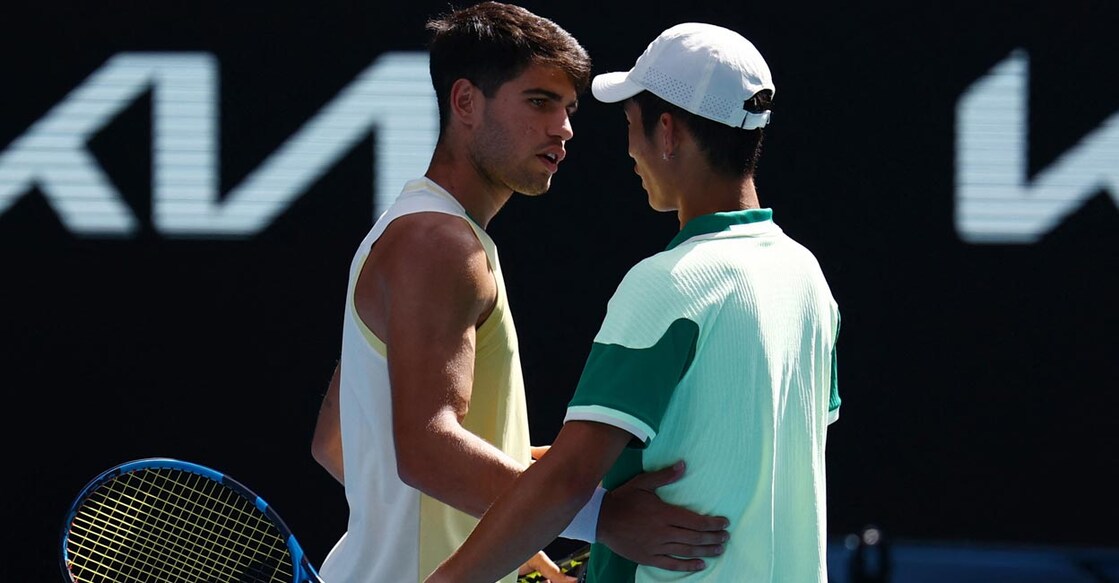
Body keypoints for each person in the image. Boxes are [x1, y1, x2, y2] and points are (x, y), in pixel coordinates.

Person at [310, 5, 732, 582]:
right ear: (465, 103)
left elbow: (340, 442)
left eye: (569, 108)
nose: (563, 128)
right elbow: (428, 451)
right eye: (539, 102)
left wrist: (530, 559)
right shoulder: (439, 244)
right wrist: (602, 516)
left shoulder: (421, 230)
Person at [425, 22, 842, 583]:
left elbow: (568, 483)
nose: (630, 151)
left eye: (631, 126)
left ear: (667, 133)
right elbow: (724, 452)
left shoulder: (668, 284)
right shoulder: (806, 277)